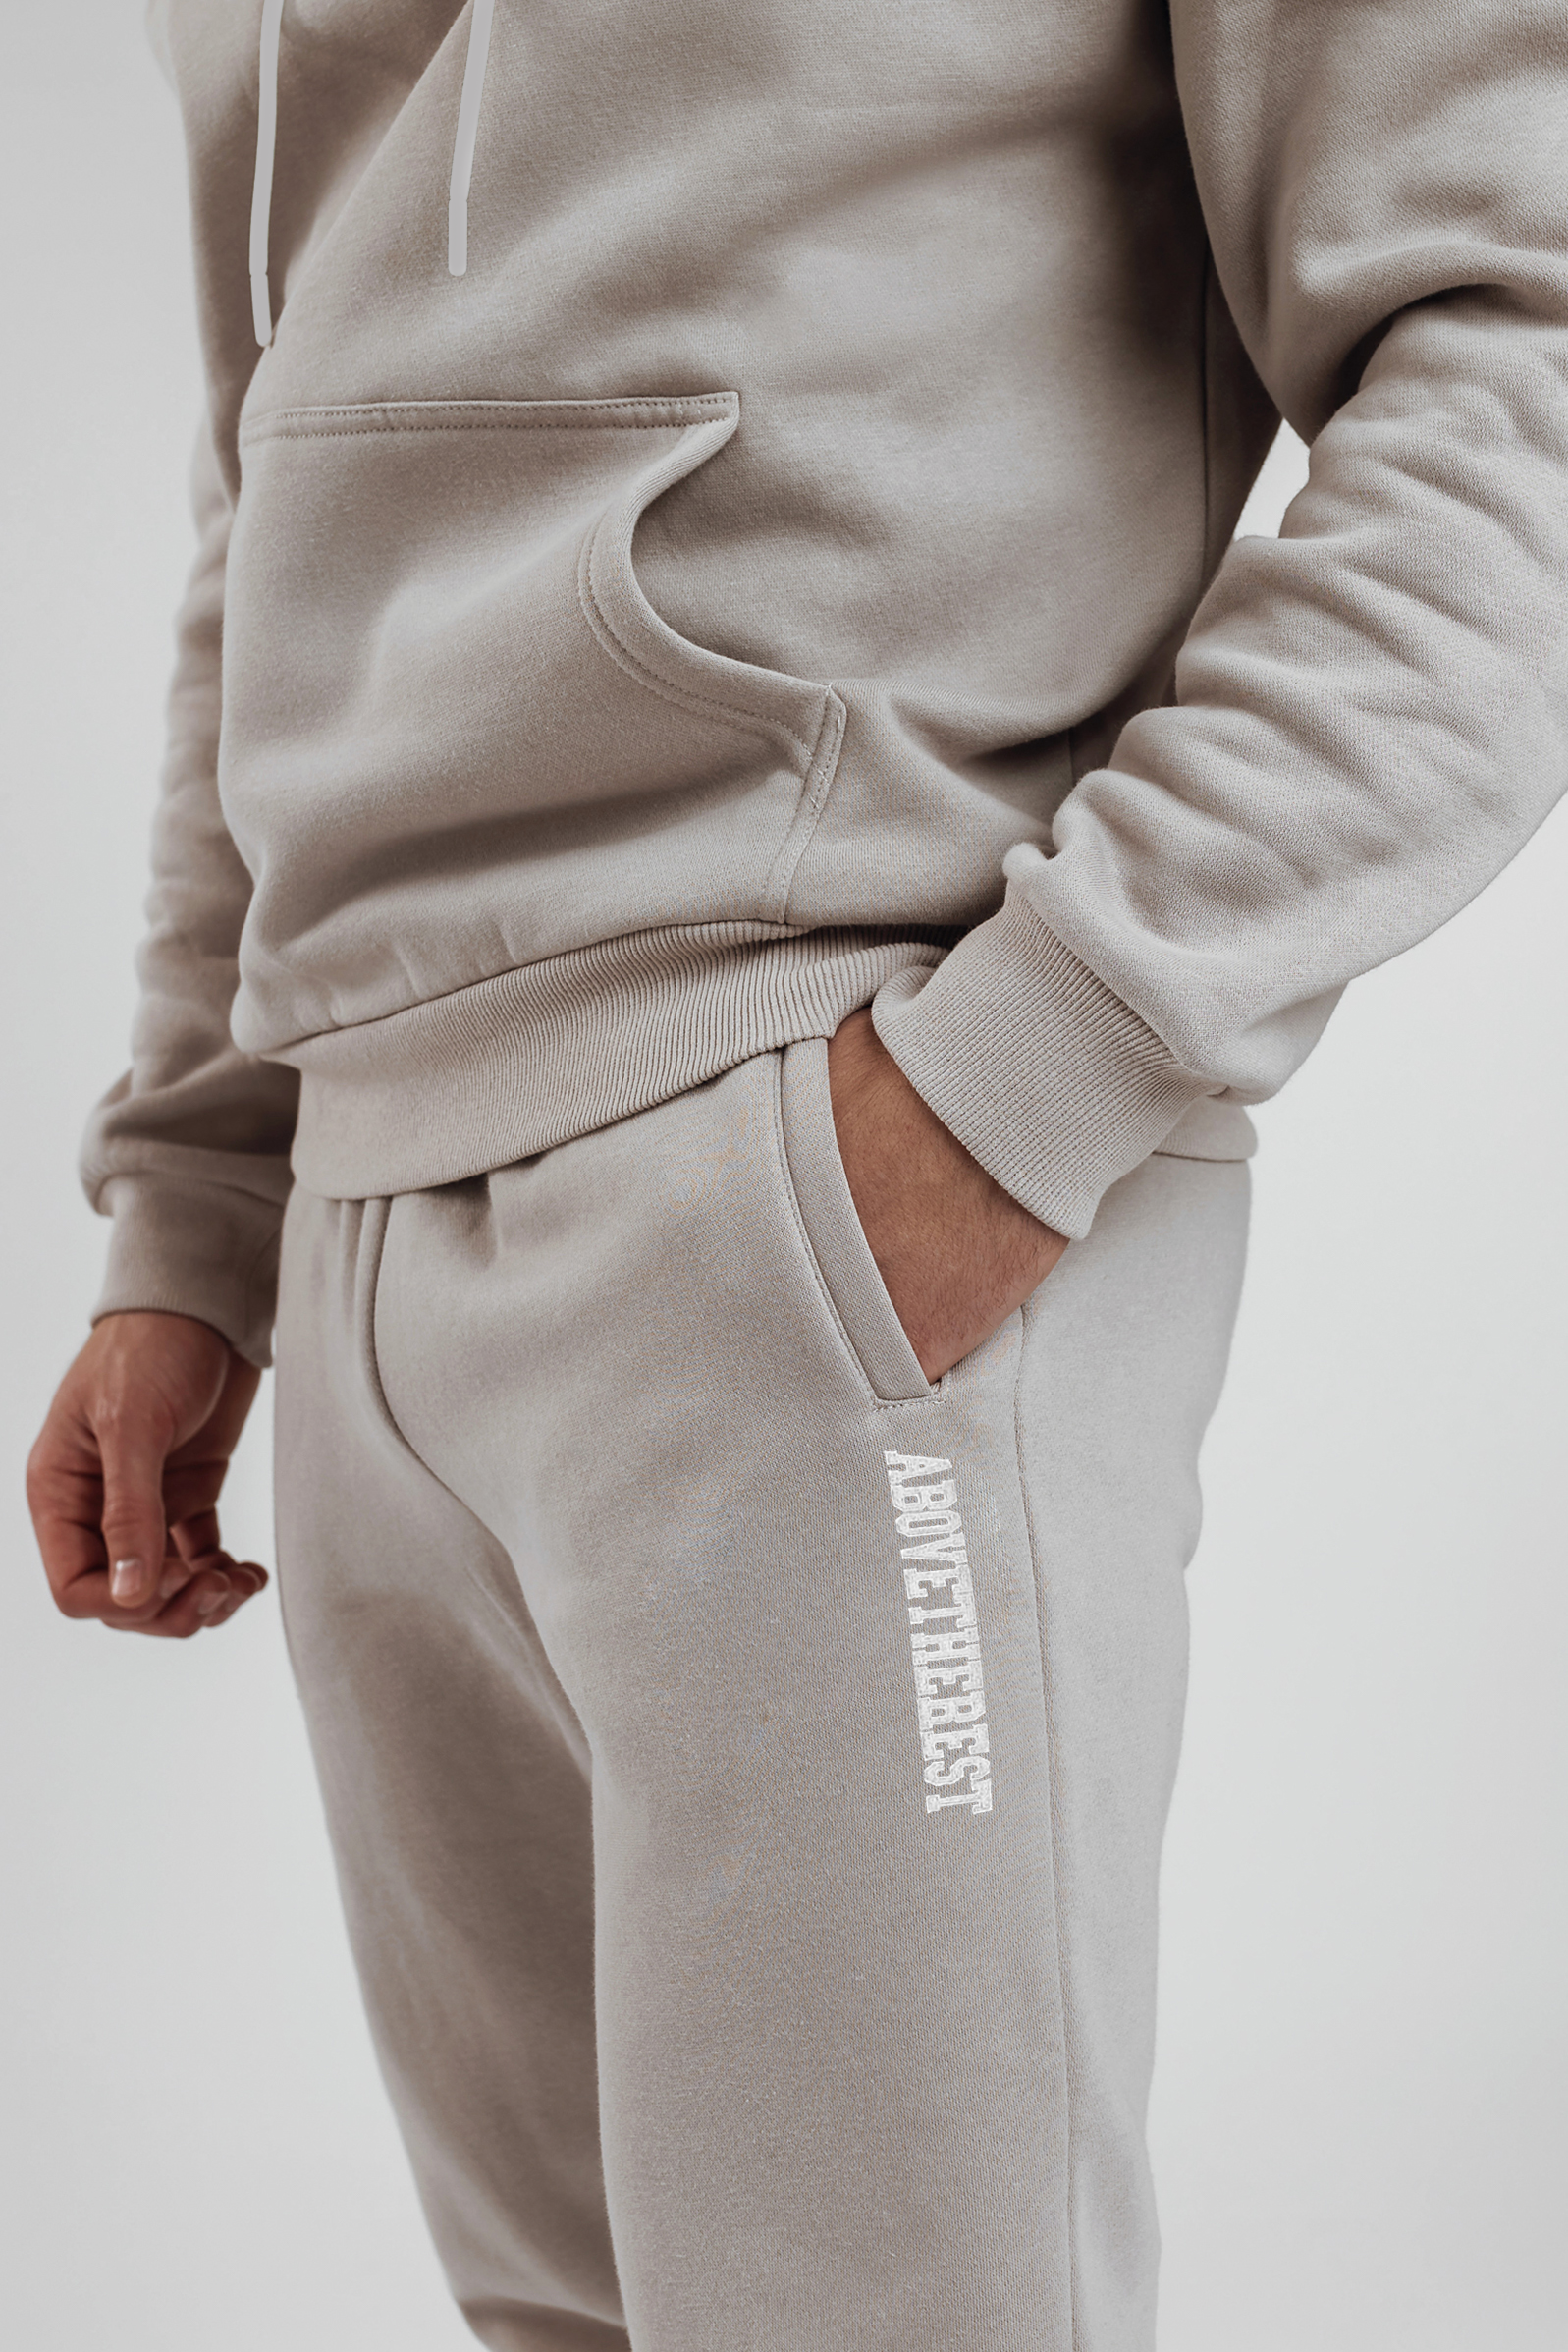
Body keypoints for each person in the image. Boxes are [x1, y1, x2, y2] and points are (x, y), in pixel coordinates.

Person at [25, 3, 1568, 2345]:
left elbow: (1523, 330)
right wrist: (203, 1196)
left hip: (820, 1184)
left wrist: (1029, 1075)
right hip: (365, 1231)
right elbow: (284, 473)